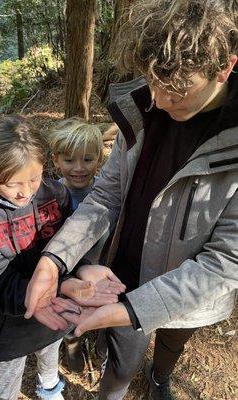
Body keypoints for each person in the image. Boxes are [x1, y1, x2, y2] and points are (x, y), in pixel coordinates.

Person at [25, 1, 238, 399]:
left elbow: (225, 262)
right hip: (121, 273)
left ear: (224, 68)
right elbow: (106, 195)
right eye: (152, 81)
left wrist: (138, 310)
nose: (157, 98)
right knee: (122, 358)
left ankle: (160, 375)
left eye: (176, 89)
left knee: (174, 336)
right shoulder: (142, 109)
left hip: (189, 290)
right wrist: (55, 259)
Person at [0, 116, 123, 400]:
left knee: (50, 354)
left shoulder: (55, 193)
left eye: (34, 178)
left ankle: (50, 389)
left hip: (54, 315)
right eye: (13, 183)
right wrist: (43, 292)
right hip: (8, 328)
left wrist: (81, 272)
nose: (26, 192)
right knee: (6, 383)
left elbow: (68, 248)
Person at [49, 117, 108, 372]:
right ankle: (71, 342)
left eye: (87, 159)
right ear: (56, 161)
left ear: (99, 160)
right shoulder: (48, 196)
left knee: (98, 305)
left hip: (98, 267)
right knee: (68, 311)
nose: (78, 168)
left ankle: (98, 338)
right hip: (63, 273)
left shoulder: (107, 195)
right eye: (69, 160)